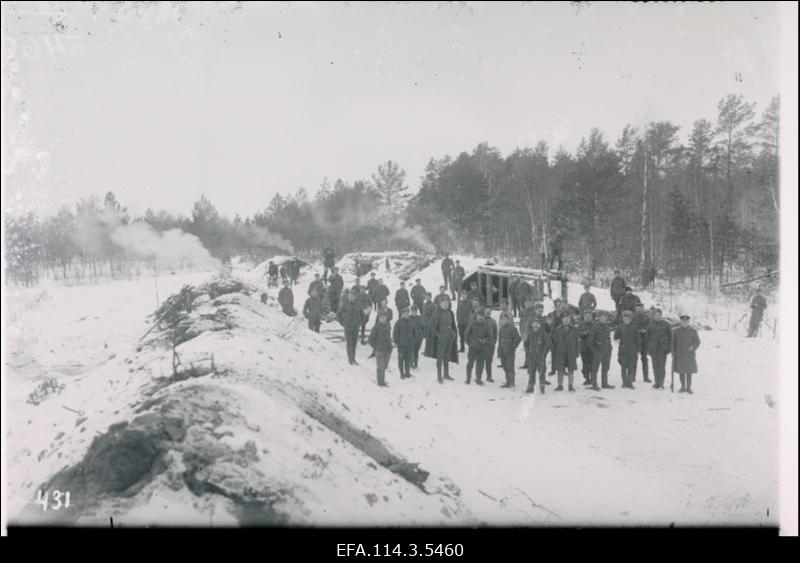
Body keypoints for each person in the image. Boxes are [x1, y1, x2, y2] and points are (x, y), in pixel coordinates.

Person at [424, 298, 458, 383]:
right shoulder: (437, 313)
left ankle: (446, 374)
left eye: (447, 303)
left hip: (449, 338)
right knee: (440, 357)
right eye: (444, 303)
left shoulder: (450, 313)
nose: (445, 305)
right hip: (441, 339)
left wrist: (453, 333)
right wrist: (438, 335)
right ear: (440, 304)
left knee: (447, 356)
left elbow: (453, 325)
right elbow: (432, 326)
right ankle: (439, 376)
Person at [672, 314, 700, 393]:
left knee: (689, 371)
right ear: (680, 322)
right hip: (679, 354)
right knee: (681, 371)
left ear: (688, 322)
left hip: (689, 354)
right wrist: (673, 352)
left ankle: (689, 388)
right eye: (683, 322)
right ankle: (682, 387)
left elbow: (697, 341)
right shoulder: (676, 331)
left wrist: (693, 347)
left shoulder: (693, 331)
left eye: (686, 322)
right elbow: (672, 343)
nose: (684, 323)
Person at [464, 309, 492, 385]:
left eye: (482, 316)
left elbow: (490, 336)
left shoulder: (486, 324)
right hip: (473, 347)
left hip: (482, 348)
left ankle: (478, 378)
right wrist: (469, 343)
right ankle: (468, 378)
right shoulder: (472, 323)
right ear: (476, 316)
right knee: (470, 363)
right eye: (479, 316)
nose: (480, 317)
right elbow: (466, 333)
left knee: (480, 364)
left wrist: (485, 340)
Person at [551, 314, 579, 391]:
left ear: (570, 320)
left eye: (567, 318)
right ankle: (560, 385)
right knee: (560, 370)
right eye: (564, 319)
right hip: (560, 352)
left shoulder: (574, 329)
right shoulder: (558, 330)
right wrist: (554, 352)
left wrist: (577, 352)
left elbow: (577, 341)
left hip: (571, 352)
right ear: (562, 320)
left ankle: (570, 385)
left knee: (571, 369)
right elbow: (554, 342)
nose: (566, 320)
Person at [614, 310, 641, 389]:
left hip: (632, 350)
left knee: (631, 367)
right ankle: (624, 382)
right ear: (622, 319)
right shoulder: (620, 327)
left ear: (631, 319)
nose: (626, 320)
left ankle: (630, 382)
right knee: (623, 367)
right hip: (623, 350)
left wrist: (638, 349)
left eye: (628, 318)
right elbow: (616, 338)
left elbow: (638, 339)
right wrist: (618, 340)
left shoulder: (634, 328)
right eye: (625, 318)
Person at [646, 308, 672, 390]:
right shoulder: (650, 325)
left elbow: (671, 337)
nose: (658, 317)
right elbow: (647, 337)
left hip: (662, 349)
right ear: (654, 316)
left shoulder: (666, 324)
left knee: (661, 367)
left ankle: (661, 384)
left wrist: (669, 348)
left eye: (659, 315)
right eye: (656, 315)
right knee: (655, 366)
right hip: (653, 349)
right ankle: (656, 383)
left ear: (661, 316)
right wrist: (648, 349)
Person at [524, 317, 550, 394]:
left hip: (540, 357)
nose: (535, 325)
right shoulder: (530, 334)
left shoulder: (543, 334)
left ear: (539, 325)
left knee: (541, 372)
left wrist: (544, 353)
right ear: (532, 325)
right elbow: (526, 343)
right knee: (531, 372)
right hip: (532, 356)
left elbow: (548, 344)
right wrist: (528, 351)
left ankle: (542, 387)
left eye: (537, 324)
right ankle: (530, 386)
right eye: (534, 324)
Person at [589, 311, 613, 390]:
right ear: (598, 318)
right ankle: (594, 384)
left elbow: (608, 337)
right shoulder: (595, 327)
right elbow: (590, 340)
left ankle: (604, 383)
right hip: (598, 350)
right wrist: (594, 350)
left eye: (605, 317)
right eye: (601, 317)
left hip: (607, 350)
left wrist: (609, 347)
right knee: (595, 368)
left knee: (605, 367)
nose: (603, 319)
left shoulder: (607, 326)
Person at [337, 290, 362, 365]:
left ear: (355, 297)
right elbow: (339, 314)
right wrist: (342, 323)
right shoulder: (345, 305)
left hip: (356, 327)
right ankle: (350, 359)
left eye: (352, 296)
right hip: (348, 326)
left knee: (354, 343)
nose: (350, 298)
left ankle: (353, 358)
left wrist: (360, 323)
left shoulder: (359, 304)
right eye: (349, 296)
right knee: (349, 343)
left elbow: (363, 315)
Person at [368, 311, 392, 387]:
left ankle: (382, 380)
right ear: (379, 318)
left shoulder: (387, 326)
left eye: (384, 317)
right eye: (381, 317)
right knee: (380, 365)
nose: (383, 319)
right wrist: (375, 347)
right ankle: (380, 382)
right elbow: (370, 339)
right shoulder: (376, 327)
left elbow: (389, 337)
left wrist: (390, 347)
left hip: (387, 349)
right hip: (379, 350)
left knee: (385, 365)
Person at [497, 313, 521, 388]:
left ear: (508, 320)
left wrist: (513, 347)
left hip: (510, 352)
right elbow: (500, 341)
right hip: (503, 351)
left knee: (510, 367)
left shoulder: (513, 328)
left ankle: (512, 383)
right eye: (502, 319)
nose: (503, 321)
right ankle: (508, 382)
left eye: (505, 319)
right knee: (505, 367)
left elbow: (518, 339)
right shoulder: (501, 329)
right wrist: (499, 351)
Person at [393, 308, 415, 379]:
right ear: (402, 314)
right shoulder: (398, 322)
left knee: (408, 359)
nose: (406, 314)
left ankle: (407, 373)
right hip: (401, 345)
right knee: (401, 359)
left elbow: (414, 332)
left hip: (409, 344)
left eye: (408, 313)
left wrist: (413, 340)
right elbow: (395, 333)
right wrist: (397, 342)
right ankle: (402, 373)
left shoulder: (411, 322)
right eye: (405, 313)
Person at [633, 303, 651, 383]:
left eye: (640, 308)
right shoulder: (632, 317)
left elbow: (649, 328)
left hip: (644, 341)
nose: (638, 310)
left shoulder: (646, 318)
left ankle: (646, 377)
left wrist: (645, 330)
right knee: (633, 359)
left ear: (642, 309)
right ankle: (632, 376)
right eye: (637, 308)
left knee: (644, 359)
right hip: (635, 341)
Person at [578, 310, 595, 385]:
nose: (588, 318)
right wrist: (583, 333)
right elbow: (577, 334)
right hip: (584, 347)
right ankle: (587, 378)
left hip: (593, 348)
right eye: (586, 316)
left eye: (589, 316)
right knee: (585, 364)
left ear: (591, 317)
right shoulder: (581, 325)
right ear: (584, 317)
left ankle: (593, 379)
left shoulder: (595, 324)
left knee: (593, 364)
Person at [483, 306, 498, 383]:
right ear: (484, 311)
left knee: (489, 361)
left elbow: (495, 333)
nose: (488, 312)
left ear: (491, 312)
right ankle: (478, 377)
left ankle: (489, 376)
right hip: (482, 344)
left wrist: (493, 341)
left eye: (489, 310)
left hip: (490, 344)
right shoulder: (481, 320)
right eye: (486, 310)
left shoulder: (493, 321)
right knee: (480, 361)